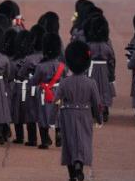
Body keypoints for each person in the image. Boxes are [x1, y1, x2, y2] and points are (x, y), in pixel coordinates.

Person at [56, 40, 103, 181]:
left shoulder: (64, 82)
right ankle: (79, 165)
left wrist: (54, 120)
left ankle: (72, 173)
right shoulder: (91, 82)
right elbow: (97, 103)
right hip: (85, 114)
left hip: (67, 114)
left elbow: (56, 100)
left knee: (69, 142)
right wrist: (99, 118)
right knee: (83, 141)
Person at [29, 32, 65, 149]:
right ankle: (58, 132)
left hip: (44, 93)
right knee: (58, 113)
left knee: (42, 114)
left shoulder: (41, 66)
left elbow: (34, 81)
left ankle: (45, 140)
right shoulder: (61, 65)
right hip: (58, 91)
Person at [84, 14, 115, 122]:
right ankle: (104, 110)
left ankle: (93, 109)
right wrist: (112, 75)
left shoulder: (89, 45)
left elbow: (85, 58)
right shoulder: (107, 46)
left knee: (92, 89)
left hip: (91, 69)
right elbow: (112, 60)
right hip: (104, 70)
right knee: (104, 89)